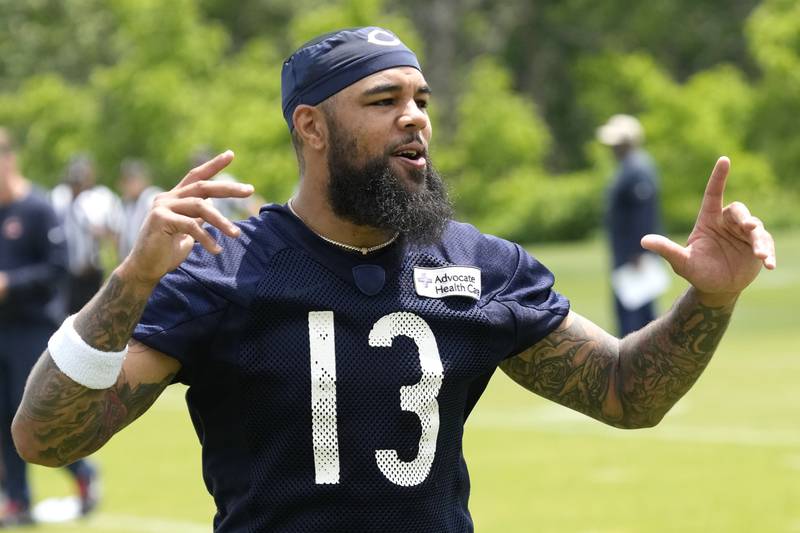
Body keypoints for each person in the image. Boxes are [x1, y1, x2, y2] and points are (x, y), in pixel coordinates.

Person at [10, 27, 775, 532]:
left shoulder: (479, 265)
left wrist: (710, 297)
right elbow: (47, 437)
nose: (415, 118)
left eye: (421, 99)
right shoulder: (223, 268)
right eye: (384, 101)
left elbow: (625, 392)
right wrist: (132, 281)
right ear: (311, 127)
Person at [0, 129, 99, 527]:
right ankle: (18, 500)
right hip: (1, 329)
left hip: (31, 328)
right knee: (3, 419)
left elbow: (57, 270)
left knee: (39, 417)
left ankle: (83, 474)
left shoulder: (37, 208)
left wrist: (11, 283)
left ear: (9, 158)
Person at [597, 114, 665, 336]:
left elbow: (642, 215)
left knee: (637, 319)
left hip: (635, 256)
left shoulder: (637, 169)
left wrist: (639, 251)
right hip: (627, 255)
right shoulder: (628, 167)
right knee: (632, 313)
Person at [51, 154, 120, 314]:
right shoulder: (60, 196)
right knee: (67, 316)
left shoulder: (101, 197)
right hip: (66, 270)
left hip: (93, 269)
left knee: (94, 314)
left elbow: (114, 232)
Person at [114, 158, 163, 260]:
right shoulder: (125, 203)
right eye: (126, 180)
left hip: (151, 260)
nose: (128, 184)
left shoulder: (152, 197)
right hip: (129, 262)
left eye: (132, 179)